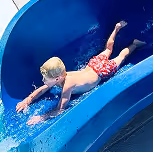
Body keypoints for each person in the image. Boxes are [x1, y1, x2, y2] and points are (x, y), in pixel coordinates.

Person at [16, 21, 146, 125]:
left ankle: (134, 45)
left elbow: (60, 109)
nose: (44, 81)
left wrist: (42, 117)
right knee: (108, 49)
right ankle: (116, 28)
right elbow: (43, 89)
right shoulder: (62, 76)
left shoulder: (67, 85)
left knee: (120, 57)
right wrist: (28, 100)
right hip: (93, 64)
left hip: (101, 71)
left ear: (57, 79)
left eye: (45, 79)